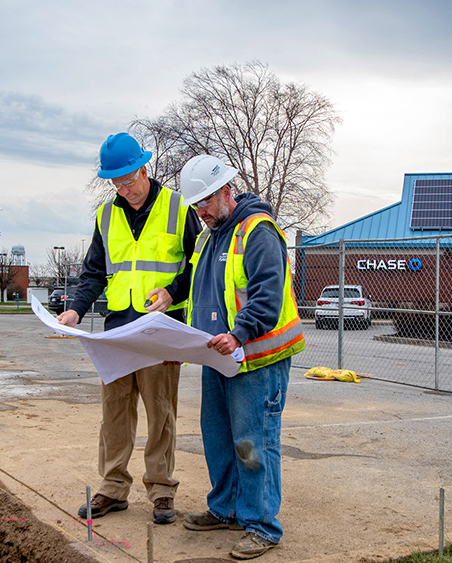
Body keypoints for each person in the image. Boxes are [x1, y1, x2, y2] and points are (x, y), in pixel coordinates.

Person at [57, 132, 202, 525]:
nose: (125, 189)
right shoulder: (106, 216)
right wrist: (74, 310)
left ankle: (161, 489)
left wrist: (173, 292)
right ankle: (113, 488)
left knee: (161, 414)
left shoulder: (178, 207)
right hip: (118, 330)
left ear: (144, 168)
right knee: (115, 413)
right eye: (116, 183)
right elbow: (92, 273)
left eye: (129, 179)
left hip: (162, 329)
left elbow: (200, 264)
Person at [177, 155, 305, 560]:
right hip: (219, 356)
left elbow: (268, 294)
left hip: (256, 358)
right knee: (218, 438)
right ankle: (226, 508)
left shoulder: (258, 231)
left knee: (254, 442)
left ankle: (262, 525)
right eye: (196, 206)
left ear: (226, 192)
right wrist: (172, 298)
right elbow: (197, 285)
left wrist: (239, 334)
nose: (201, 213)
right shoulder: (209, 235)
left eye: (206, 203)